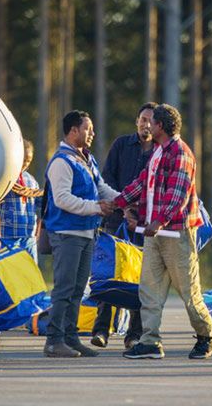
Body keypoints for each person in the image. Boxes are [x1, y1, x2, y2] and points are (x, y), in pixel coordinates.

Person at [115, 104, 212, 360]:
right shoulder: (158, 152)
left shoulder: (180, 153)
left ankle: (208, 336)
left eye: (151, 121)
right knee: (149, 289)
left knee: (188, 290)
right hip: (155, 234)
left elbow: (179, 194)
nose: (147, 125)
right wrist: (117, 203)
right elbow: (142, 183)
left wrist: (159, 221)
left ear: (160, 126)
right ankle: (150, 341)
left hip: (177, 234)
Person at [42, 110, 118, 358]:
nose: (92, 133)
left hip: (86, 233)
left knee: (78, 289)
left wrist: (124, 200)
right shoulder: (62, 162)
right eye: (88, 129)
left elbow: (101, 187)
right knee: (64, 289)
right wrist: (97, 208)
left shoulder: (86, 158)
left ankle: (71, 338)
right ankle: (54, 341)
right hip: (66, 233)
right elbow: (62, 199)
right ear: (73, 131)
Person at [90, 102, 156, 350]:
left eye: (150, 120)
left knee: (140, 279)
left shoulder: (159, 151)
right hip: (115, 222)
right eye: (142, 119)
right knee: (109, 274)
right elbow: (108, 178)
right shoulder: (121, 145)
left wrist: (138, 213)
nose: (145, 124)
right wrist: (124, 207)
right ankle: (101, 330)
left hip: (144, 225)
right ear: (136, 121)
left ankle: (134, 334)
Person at [0, 139, 43, 262]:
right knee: (9, 273)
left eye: (28, 161)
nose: (25, 164)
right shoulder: (6, 178)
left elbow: (40, 206)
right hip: (8, 235)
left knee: (29, 274)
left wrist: (37, 230)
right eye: (23, 160)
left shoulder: (32, 181)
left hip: (28, 237)